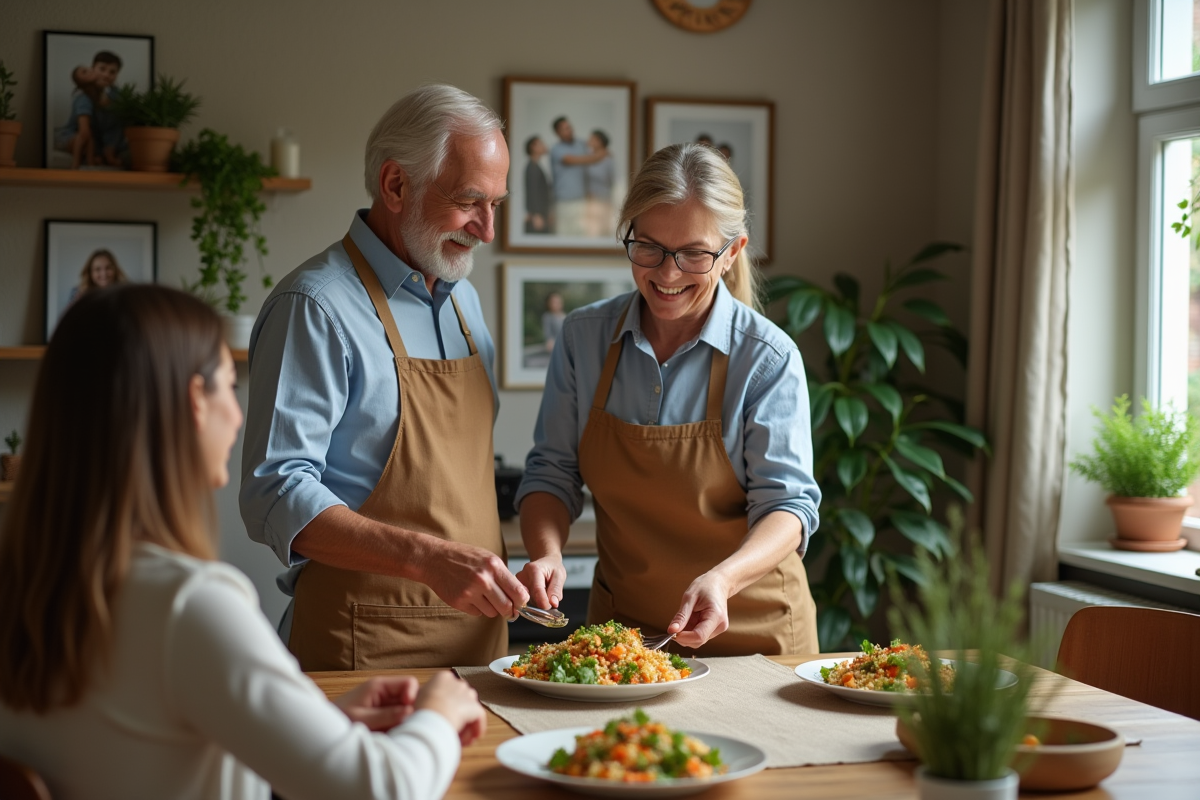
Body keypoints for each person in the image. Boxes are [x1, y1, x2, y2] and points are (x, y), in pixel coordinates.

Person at [0, 284, 488, 800]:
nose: (237, 417)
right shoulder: (188, 605)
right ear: (194, 402)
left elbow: (149, 746)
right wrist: (440, 713)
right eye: (230, 387)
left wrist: (319, 722)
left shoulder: (24, 583)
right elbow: (383, 790)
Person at [240, 84, 528, 672]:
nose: (487, 230)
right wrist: (424, 559)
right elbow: (274, 490)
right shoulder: (315, 306)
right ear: (396, 185)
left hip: (477, 645)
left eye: (496, 203)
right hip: (361, 645)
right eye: (471, 201)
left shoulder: (465, 302)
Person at [515, 143, 820, 657]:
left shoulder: (767, 358)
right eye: (649, 247)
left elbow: (787, 506)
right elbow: (551, 473)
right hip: (626, 636)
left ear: (732, 253)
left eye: (694, 254)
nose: (667, 273)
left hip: (753, 631)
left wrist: (722, 580)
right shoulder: (583, 338)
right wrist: (546, 554)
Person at [53, 52, 124, 169]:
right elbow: (84, 130)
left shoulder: (116, 95)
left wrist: (110, 147)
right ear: (92, 69)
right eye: (102, 69)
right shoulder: (84, 96)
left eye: (112, 72)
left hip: (104, 140)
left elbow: (116, 126)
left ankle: (104, 153)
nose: (106, 75)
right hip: (79, 134)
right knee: (83, 141)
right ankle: (91, 157)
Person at [548, 116, 606, 237]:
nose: (569, 130)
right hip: (563, 202)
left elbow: (597, 149)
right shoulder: (556, 149)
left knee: (580, 235)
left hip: (581, 200)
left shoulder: (581, 144)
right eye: (564, 129)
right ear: (557, 133)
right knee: (563, 236)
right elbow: (570, 160)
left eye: (569, 127)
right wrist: (597, 157)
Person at [582, 129, 615, 238]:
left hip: (603, 198)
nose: (589, 141)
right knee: (591, 231)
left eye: (593, 139)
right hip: (590, 199)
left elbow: (611, 180)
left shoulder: (608, 159)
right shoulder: (587, 156)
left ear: (600, 141)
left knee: (604, 229)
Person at [523, 135, 552, 234]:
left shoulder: (536, 166)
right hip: (538, 215)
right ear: (533, 147)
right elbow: (532, 192)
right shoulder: (532, 168)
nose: (544, 146)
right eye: (541, 144)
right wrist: (536, 214)